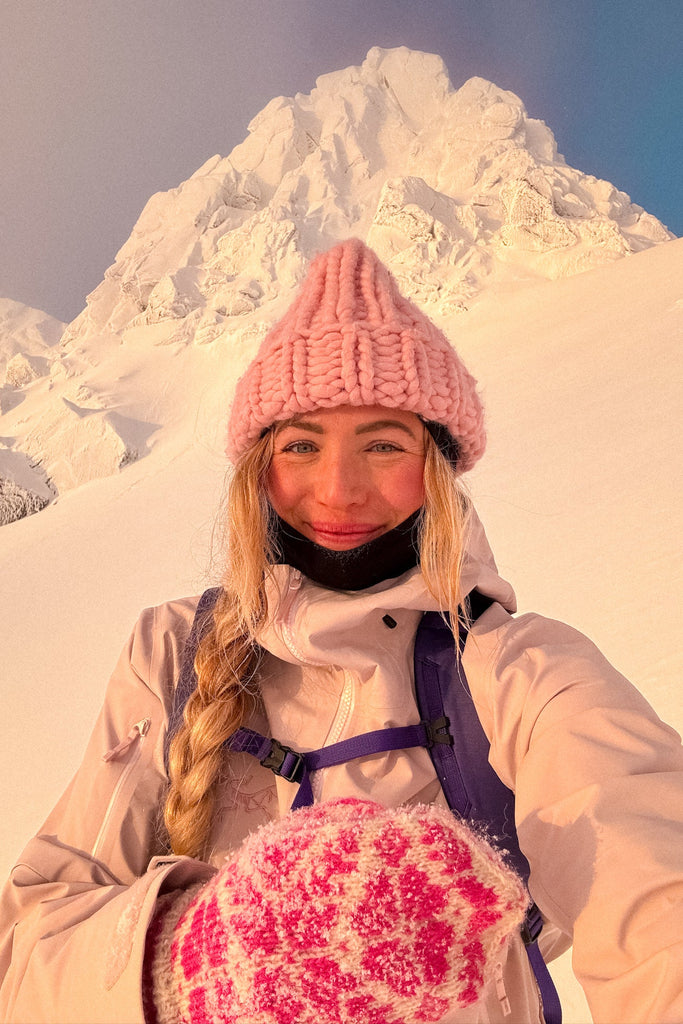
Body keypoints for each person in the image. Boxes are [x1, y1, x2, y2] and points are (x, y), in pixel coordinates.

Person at [0, 238, 681, 1024]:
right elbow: (26, 954)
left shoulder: (521, 671)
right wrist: (193, 955)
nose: (338, 489)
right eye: (301, 445)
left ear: (437, 466)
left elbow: (648, 881)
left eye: (383, 444)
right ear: (259, 469)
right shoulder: (172, 653)